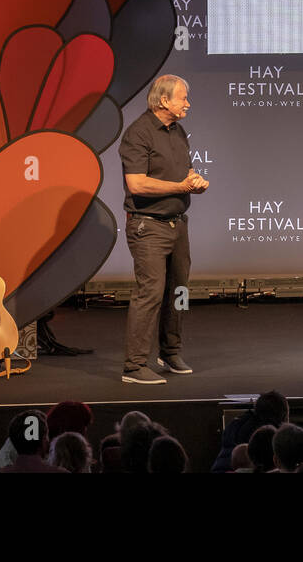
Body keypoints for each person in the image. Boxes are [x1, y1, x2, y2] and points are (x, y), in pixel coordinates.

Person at [119, 74, 209, 385]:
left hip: (177, 225)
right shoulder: (138, 134)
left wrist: (195, 180)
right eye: (183, 98)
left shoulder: (178, 130)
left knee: (178, 291)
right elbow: (137, 183)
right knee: (150, 294)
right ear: (163, 101)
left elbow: (184, 170)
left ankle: (170, 351)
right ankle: (134, 366)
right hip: (148, 226)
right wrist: (180, 185)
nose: (188, 103)